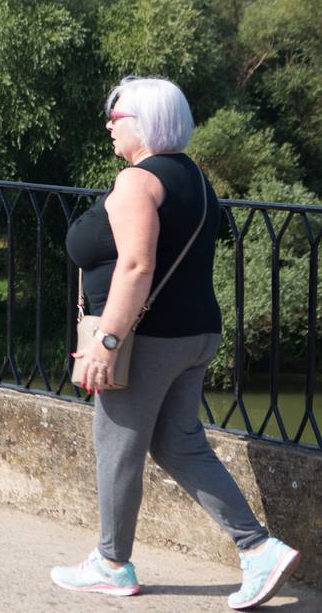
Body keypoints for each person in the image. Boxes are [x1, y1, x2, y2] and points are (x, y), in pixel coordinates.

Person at [52, 77, 300, 607]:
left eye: (115, 116)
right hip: (197, 333)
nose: (108, 125)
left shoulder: (138, 183)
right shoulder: (195, 179)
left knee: (116, 449)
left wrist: (108, 341)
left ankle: (112, 563)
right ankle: (259, 549)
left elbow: (138, 266)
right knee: (177, 442)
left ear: (141, 122)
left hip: (149, 341)